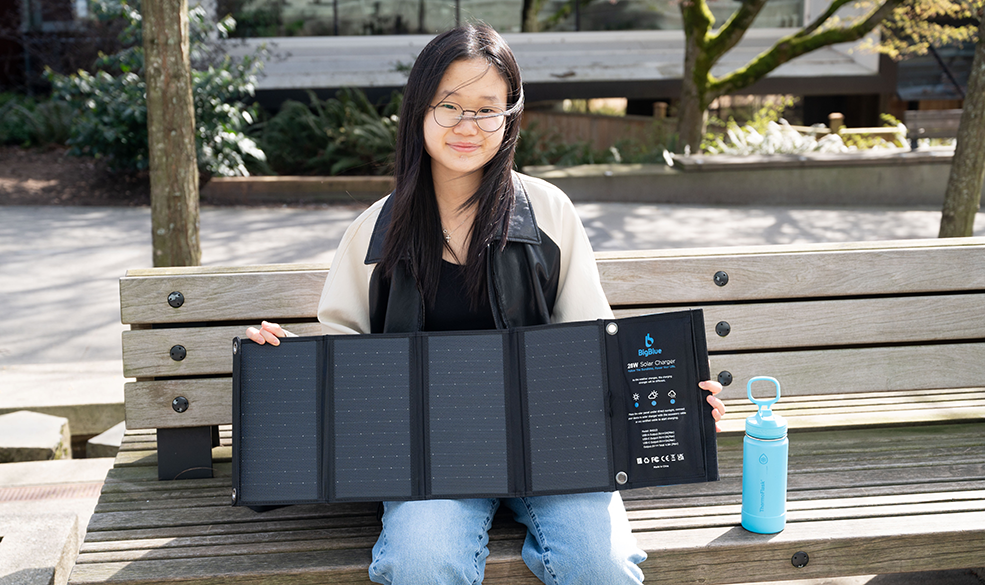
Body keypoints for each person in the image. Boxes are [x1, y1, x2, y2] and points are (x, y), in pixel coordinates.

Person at [246, 23, 725, 585]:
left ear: (510, 115)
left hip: (555, 449)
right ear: (419, 111)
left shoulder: (548, 212)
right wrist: (287, 359)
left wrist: (673, 402)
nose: (467, 126)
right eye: (449, 106)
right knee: (422, 563)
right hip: (426, 458)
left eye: (486, 109)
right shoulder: (375, 231)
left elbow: (597, 343)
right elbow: (343, 355)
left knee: (600, 565)